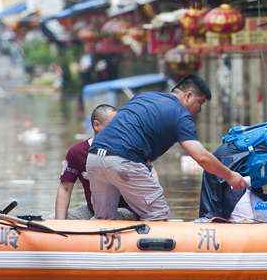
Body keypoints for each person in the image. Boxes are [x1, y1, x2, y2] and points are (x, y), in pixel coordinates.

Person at [86, 75, 248, 220]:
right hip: (123, 161)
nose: (199, 109)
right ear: (188, 95)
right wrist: (230, 176)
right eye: (200, 102)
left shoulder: (144, 97)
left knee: (104, 221)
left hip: (94, 157)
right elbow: (202, 158)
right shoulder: (180, 115)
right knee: (158, 216)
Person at [55, 104, 136, 220]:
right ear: (96, 125)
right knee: (53, 218)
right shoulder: (77, 152)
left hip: (125, 210)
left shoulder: (129, 148)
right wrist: (59, 224)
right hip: (92, 209)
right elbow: (65, 188)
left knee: (98, 220)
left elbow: (150, 175)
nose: (119, 129)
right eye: (114, 125)